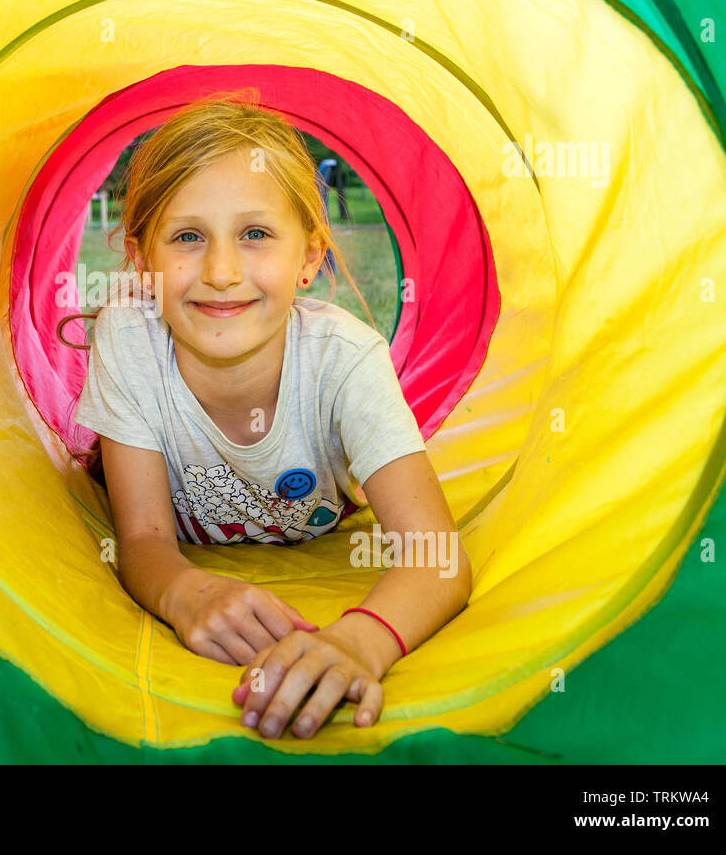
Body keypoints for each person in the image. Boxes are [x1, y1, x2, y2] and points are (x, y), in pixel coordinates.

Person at [61, 91, 469, 740]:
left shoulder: (346, 360)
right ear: (142, 261)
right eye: (189, 237)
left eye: (255, 235)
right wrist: (184, 592)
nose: (222, 272)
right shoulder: (129, 340)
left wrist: (363, 641)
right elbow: (140, 539)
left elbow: (437, 556)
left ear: (309, 258)